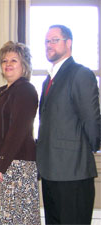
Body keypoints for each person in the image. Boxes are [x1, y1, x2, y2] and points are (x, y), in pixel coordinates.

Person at [36, 24, 100, 224]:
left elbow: (91, 119)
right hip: (50, 171)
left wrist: (86, 149)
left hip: (73, 173)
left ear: (68, 43)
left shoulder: (80, 74)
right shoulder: (48, 81)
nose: (49, 45)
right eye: (47, 41)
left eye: (54, 40)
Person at [0, 41, 40, 224]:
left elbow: (18, 130)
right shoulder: (2, 91)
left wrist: (2, 164)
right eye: (5, 60)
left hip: (15, 166)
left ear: (24, 65)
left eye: (14, 60)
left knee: (14, 218)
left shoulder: (25, 90)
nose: (8, 64)